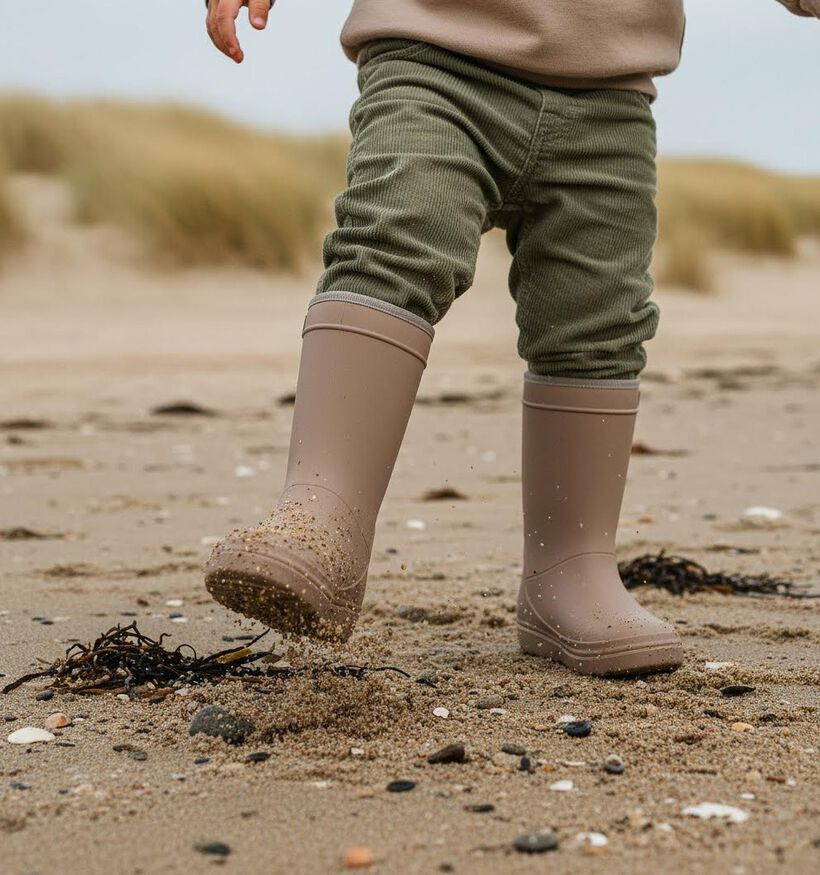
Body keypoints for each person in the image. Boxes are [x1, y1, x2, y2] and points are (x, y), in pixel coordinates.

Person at [202, 0, 820, 676]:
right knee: (397, 239)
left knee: (598, 318)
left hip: (611, 91)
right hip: (436, 55)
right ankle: (322, 515)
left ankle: (571, 570)